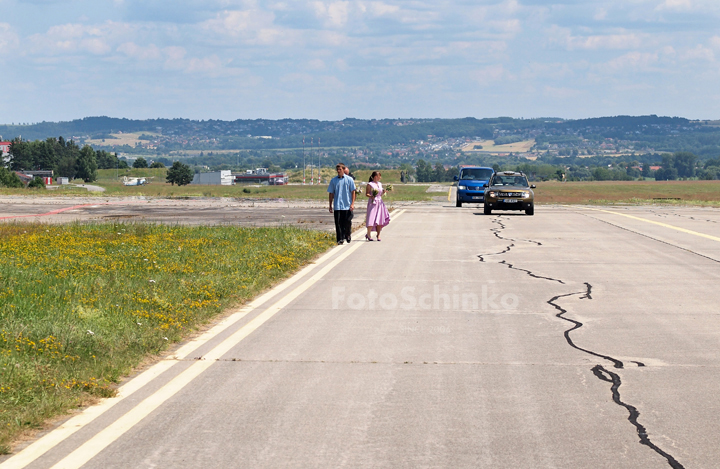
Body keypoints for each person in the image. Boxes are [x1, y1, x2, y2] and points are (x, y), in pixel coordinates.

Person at [328, 163, 356, 245]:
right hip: (337, 205)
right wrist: (330, 205)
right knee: (338, 223)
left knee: (347, 222)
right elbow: (331, 193)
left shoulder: (349, 180)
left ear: (344, 170)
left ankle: (347, 234)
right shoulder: (333, 180)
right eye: (337, 169)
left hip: (347, 205)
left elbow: (353, 191)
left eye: (340, 169)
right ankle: (340, 238)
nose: (338, 171)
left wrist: (352, 203)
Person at [365, 171, 391, 241]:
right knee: (371, 218)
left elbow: (380, 193)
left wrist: (384, 192)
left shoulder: (380, 184)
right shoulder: (370, 184)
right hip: (372, 203)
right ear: (376, 177)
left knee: (379, 219)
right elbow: (367, 193)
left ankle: (378, 234)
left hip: (379, 202)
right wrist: (371, 196)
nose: (380, 178)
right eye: (379, 176)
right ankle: (368, 233)